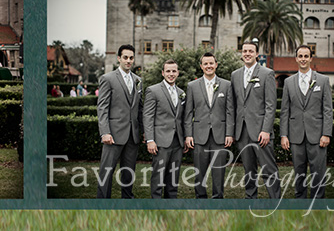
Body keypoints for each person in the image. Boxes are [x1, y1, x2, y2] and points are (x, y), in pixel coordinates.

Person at [280, 45, 333, 199]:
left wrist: (326, 133)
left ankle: (318, 205)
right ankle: (300, 203)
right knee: (299, 172)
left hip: (318, 136)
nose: (303, 59)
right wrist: (284, 135)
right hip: (296, 136)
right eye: (300, 56)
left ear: (311, 58)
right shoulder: (288, 82)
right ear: (296, 58)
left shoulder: (323, 80)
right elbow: (285, 111)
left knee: (318, 172)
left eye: (306, 56)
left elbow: (327, 110)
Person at [229, 40, 280, 199]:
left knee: (269, 169)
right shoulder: (235, 75)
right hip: (242, 131)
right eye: (244, 51)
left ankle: (276, 202)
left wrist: (266, 130)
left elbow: (271, 105)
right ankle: (250, 200)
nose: (247, 54)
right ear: (241, 53)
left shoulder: (267, 73)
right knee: (248, 170)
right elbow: (233, 105)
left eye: (251, 51)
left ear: (257, 54)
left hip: (260, 132)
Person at [182, 51, 234, 199]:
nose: (209, 66)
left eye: (211, 63)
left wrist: (229, 133)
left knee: (219, 172)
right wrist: (188, 135)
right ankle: (201, 199)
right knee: (199, 172)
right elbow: (188, 113)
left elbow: (230, 111)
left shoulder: (226, 85)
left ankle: (218, 200)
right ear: (201, 66)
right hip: (199, 136)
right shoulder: (192, 86)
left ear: (216, 65)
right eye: (206, 64)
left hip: (220, 136)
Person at [96, 44, 142, 198]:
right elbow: (102, 107)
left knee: (129, 172)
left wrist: (142, 131)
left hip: (133, 135)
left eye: (131, 58)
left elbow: (139, 109)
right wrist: (105, 132)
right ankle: (103, 202)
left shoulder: (138, 80)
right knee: (107, 171)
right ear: (119, 59)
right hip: (113, 134)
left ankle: (127, 200)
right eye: (125, 57)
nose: (128, 61)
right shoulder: (108, 79)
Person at [143, 59, 185, 199]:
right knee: (158, 176)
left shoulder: (181, 92)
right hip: (160, 141)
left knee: (173, 176)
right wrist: (150, 140)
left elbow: (182, 118)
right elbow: (148, 116)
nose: (171, 74)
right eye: (168, 71)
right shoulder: (153, 90)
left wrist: (184, 138)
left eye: (174, 71)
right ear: (163, 73)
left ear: (178, 73)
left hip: (177, 142)